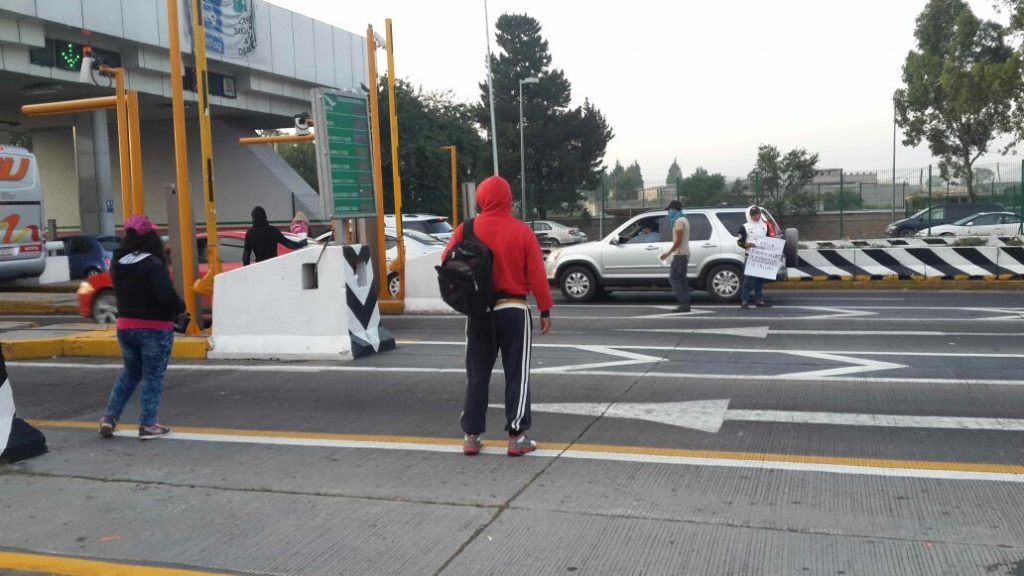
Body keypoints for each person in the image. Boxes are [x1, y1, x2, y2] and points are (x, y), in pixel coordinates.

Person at [445, 175, 553, 457]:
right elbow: (537, 274)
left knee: (477, 374)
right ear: (508, 199)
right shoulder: (521, 231)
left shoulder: (465, 229)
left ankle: (471, 435)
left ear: (481, 198)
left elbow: (447, 262)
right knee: (517, 374)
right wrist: (545, 308)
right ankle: (517, 437)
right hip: (514, 310)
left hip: (478, 312)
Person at [99, 215, 185, 440]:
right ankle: (147, 424)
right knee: (153, 376)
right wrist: (181, 306)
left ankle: (109, 417)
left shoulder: (118, 263)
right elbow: (166, 295)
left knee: (130, 373)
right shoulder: (153, 264)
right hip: (154, 328)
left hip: (125, 326)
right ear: (150, 237)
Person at [243, 206, 308, 265]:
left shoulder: (250, 233)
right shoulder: (272, 230)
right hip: (273, 264)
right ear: (265, 216)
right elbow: (287, 243)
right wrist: (301, 244)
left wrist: (246, 270)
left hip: (259, 266)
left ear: (253, 218)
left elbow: (246, 255)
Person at [659, 200, 691, 313]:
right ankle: (686, 304)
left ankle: (683, 303)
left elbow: (678, 241)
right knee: (682, 280)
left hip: (680, 254)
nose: (668, 212)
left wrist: (667, 253)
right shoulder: (684, 219)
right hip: (684, 253)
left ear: (674, 210)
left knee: (674, 278)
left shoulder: (678, 221)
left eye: (669, 210)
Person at [737, 205, 771, 309]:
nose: (756, 216)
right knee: (748, 280)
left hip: (761, 256)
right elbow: (739, 242)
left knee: (759, 280)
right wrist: (750, 245)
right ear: (750, 215)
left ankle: (759, 299)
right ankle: (744, 300)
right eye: (754, 214)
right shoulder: (744, 227)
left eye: (758, 214)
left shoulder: (765, 226)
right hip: (750, 257)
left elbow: (769, 240)